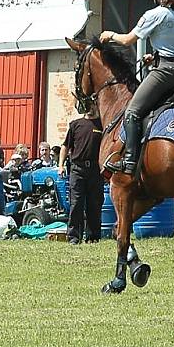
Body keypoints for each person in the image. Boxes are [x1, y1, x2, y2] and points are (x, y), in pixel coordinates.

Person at [98, 0, 174, 174]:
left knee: (132, 112)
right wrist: (156, 56)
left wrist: (110, 35)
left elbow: (127, 40)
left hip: (165, 72)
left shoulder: (155, 14)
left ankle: (129, 161)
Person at [58, 104, 104, 244]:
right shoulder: (75, 125)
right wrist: (60, 165)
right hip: (77, 169)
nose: (90, 108)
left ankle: (93, 237)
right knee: (76, 203)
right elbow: (65, 146)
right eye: (88, 105)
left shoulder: (102, 125)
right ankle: (73, 236)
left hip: (96, 170)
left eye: (93, 104)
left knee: (94, 204)